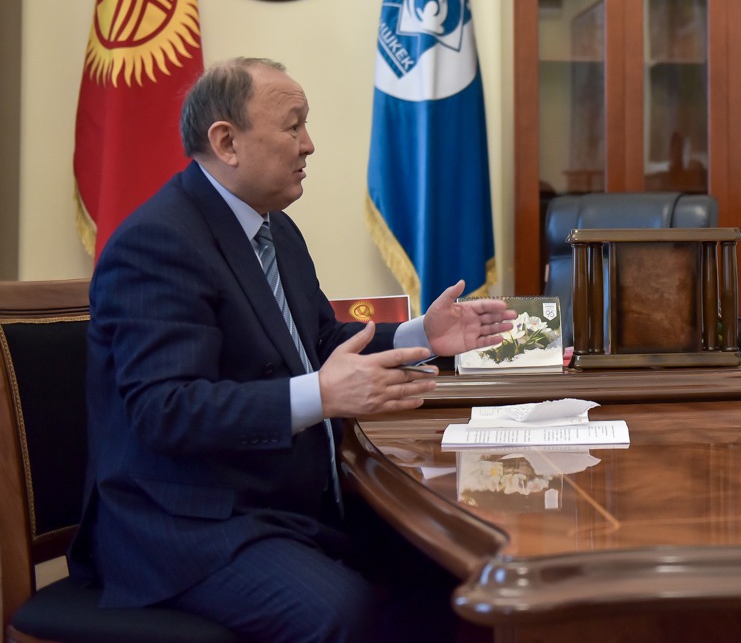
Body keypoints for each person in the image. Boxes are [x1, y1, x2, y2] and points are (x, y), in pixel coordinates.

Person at [70, 57, 516, 643]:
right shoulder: (157, 242)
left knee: (458, 563)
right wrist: (321, 396)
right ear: (226, 142)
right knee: (342, 610)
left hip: (281, 501)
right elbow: (166, 410)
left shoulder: (273, 227)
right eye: (293, 125)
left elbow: (319, 343)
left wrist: (422, 338)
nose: (309, 144)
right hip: (184, 523)